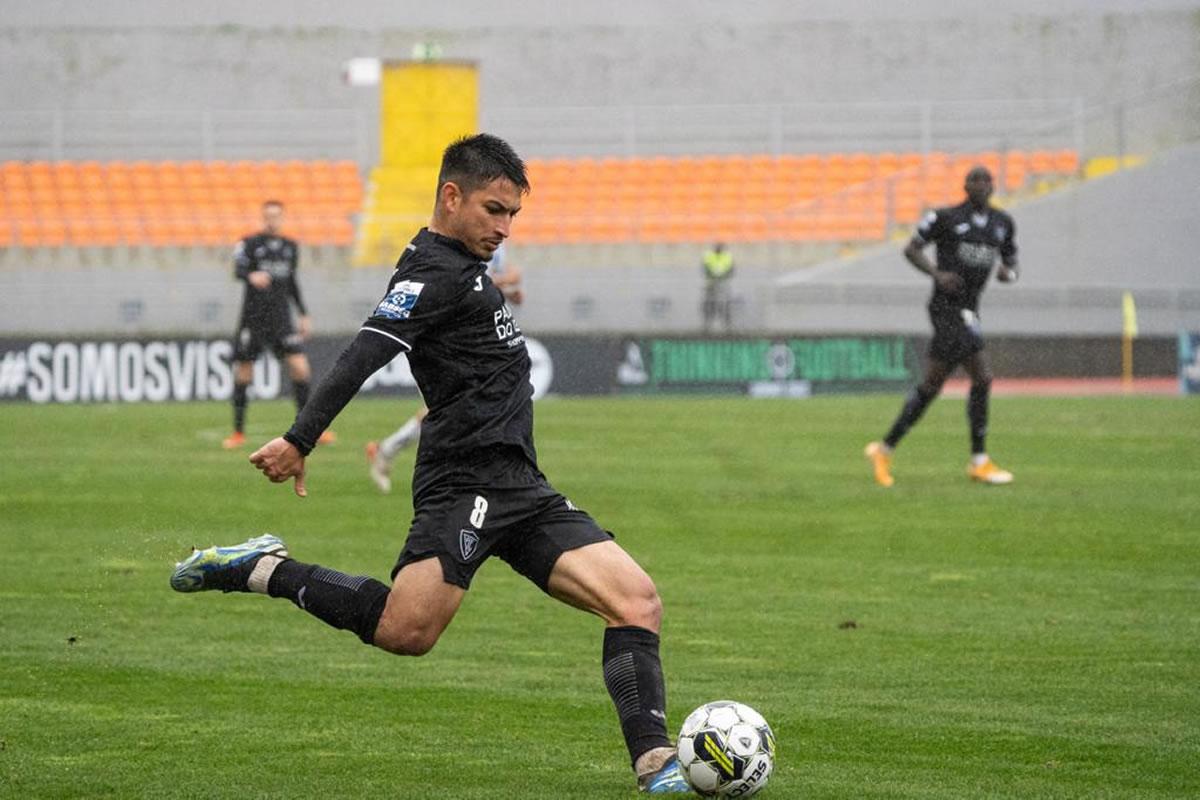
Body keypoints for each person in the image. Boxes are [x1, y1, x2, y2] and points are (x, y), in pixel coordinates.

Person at [171, 134, 690, 794]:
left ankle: (656, 764)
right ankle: (261, 568)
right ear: (451, 196)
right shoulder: (427, 276)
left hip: (521, 484)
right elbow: (363, 354)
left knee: (637, 602)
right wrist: (301, 437)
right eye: (494, 210)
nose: (504, 228)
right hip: (464, 483)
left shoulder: (464, 268)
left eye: (513, 215)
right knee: (406, 631)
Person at [865, 165, 1018, 487]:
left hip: (970, 310)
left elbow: (1011, 262)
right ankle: (979, 461)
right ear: (965, 186)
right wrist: (937, 274)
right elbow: (911, 248)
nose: (981, 185)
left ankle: (884, 449)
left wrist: (1010, 274)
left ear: (993, 186)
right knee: (982, 377)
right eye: (975, 180)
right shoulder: (945, 218)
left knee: (932, 386)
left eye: (986, 180)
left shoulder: (1003, 223)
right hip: (946, 307)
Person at [364, 241, 524, 493]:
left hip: (475, 342)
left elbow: (497, 280)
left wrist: (507, 290)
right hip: (448, 341)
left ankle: (389, 451)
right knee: (449, 409)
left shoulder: (495, 246)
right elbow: (470, 282)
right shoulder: (455, 247)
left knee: (454, 409)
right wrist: (503, 282)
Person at [222, 200, 334, 449]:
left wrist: (303, 313)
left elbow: (292, 282)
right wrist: (251, 275)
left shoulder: (290, 247)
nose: (272, 220)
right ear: (263, 218)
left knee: (300, 368)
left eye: (276, 216)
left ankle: (309, 428)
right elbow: (237, 270)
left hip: (282, 319)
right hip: (253, 318)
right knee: (244, 372)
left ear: (282, 218)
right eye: (268, 216)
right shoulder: (249, 243)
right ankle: (238, 432)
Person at [700, 241, 734, 332]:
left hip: (723, 284)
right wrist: (713, 276)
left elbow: (731, 269)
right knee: (710, 303)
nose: (718, 248)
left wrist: (722, 276)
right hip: (711, 283)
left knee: (725, 304)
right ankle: (707, 325)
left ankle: (727, 326)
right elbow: (705, 268)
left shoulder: (727, 256)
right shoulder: (709, 256)